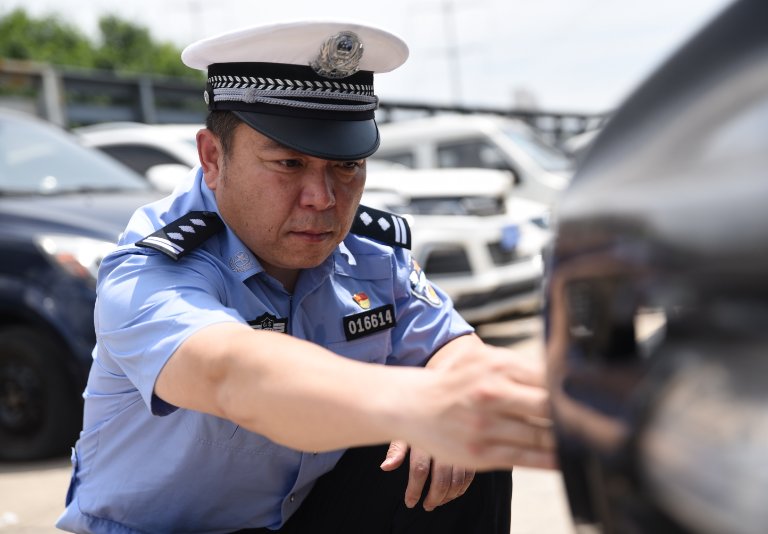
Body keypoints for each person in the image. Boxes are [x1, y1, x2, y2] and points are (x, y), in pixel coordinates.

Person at [57, 20, 555, 534]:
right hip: (165, 528)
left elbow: (453, 346)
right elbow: (233, 375)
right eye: (289, 163)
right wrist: (417, 404)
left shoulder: (368, 253)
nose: (323, 198)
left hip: (298, 517)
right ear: (212, 157)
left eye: (346, 166)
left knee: (471, 440)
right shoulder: (152, 267)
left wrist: (456, 391)